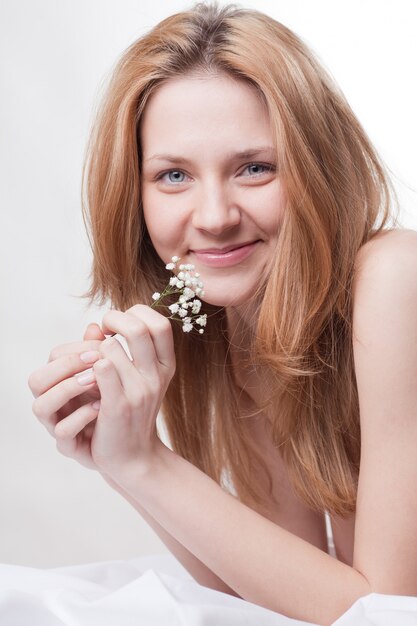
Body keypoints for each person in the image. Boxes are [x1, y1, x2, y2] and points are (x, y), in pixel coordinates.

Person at [28, 2, 417, 624]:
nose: (213, 216)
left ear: (317, 167)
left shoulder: (395, 276)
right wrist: (119, 457)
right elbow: (279, 595)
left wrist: (147, 466)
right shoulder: (243, 317)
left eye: (255, 168)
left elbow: (386, 614)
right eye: (174, 175)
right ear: (135, 194)